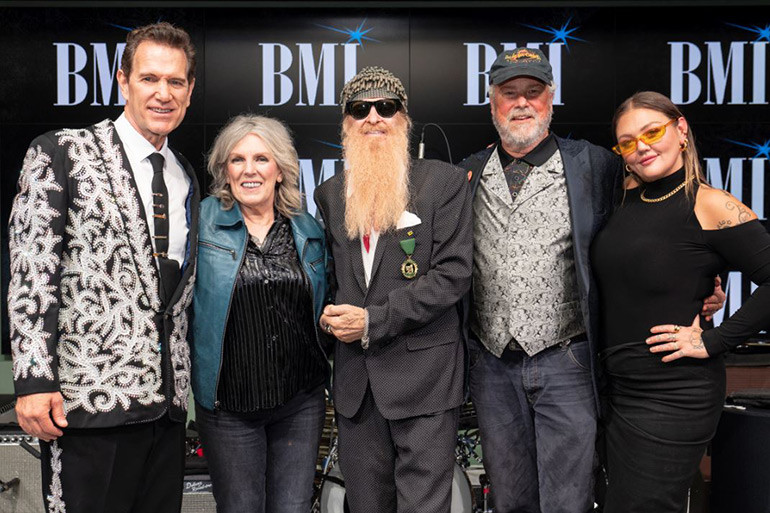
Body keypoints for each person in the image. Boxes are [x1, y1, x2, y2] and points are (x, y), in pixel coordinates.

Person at [458, 49, 724, 513]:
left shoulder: (595, 165)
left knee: (569, 500)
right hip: (491, 364)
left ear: (551, 99)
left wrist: (699, 282)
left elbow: (652, 223)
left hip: (568, 361)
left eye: (533, 92)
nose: (522, 103)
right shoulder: (466, 172)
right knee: (510, 499)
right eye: (509, 93)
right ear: (492, 102)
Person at [8, 22, 198, 513]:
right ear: (123, 81)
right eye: (149, 78)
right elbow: (31, 272)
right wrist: (33, 382)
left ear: (190, 90)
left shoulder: (184, 175)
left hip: (166, 416)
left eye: (175, 81)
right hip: (84, 408)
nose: (163, 93)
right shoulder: (62, 151)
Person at [591, 91, 770, 512]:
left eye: (652, 132)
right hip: (614, 389)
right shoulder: (621, 199)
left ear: (681, 129)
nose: (642, 147)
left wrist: (713, 341)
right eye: (628, 142)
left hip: (674, 392)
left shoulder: (710, 203)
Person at [314, 66, 473, 513]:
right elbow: (332, 278)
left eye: (385, 107)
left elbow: (453, 273)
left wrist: (373, 321)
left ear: (403, 118)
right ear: (346, 122)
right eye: (359, 109)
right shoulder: (329, 194)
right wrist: (328, 315)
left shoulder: (443, 182)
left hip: (424, 380)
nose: (373, 118)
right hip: (356, 388)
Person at [191, 114, 330, 513]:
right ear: (225, 170)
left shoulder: (308, 228)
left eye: (261, 159)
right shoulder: (201, 224)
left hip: (299, 402)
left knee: (293, 507)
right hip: (229, 406)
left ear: (280, 169)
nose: (249, 170)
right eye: (237, 160)